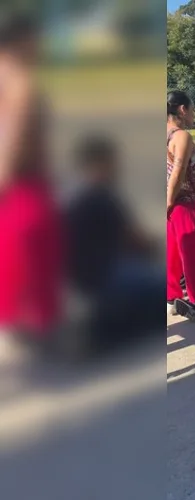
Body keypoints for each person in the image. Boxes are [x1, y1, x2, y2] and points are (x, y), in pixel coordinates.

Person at [63, 135, 165, 351]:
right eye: (112, 161)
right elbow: (135, 239)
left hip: (80, 273)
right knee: (156, 286)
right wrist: (152, 246)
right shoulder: (102, 196)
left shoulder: (73, 195)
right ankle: (110, 334)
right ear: (100, 163)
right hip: (104, 272)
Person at [0, 10, 65, 343]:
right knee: (34, 269)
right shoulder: (21, 82)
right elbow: (13, 139)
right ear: (22, 40)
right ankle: (38, 337)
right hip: (23, 188)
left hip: (16, 188)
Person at [167, 89, 195, 319]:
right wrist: (169, 201)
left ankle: (171, 297)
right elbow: (179, 171)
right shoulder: (182, 136)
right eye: (193, 110)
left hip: (173, 202)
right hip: (183, 202)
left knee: (173, 253)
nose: (194, 115)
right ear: (182, 110)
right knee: (194, 252)